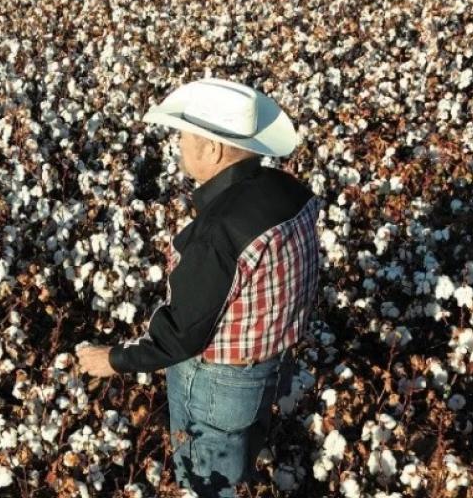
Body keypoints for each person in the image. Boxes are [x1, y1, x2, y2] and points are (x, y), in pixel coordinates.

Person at [76, 77, 323, 497]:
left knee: (205, 483)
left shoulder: (218, 232)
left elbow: (182, 335)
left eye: (184, 138)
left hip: (216, 385)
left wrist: (112, 360)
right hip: (268, 366)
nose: (178, 148)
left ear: (212, 148)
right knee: (239, 456)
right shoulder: (289, 191)